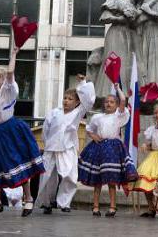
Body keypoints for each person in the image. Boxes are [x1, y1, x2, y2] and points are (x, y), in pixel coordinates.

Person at [0, 46, 45, 218]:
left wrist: (14, 54)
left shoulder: (10, 88)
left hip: (11, 129)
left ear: (3, 79)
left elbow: (11, 72)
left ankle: (28, 198)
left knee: (17, 164)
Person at [37, 74, 96, 214]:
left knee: (70, 175)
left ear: (76, 102)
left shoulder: (78, 112)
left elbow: (88, 101)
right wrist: (46, 143)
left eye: (70, 99)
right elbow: (46, 129)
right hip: (51, 148)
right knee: (47, 176)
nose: (66, 101)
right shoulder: (54, 113)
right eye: (65, 98)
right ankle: (47, 202)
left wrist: (82, 83)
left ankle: (64, 202)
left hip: (67, 147)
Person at [78, 83, 138, 218]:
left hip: (113, 149)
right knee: (97, 180)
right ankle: (95, 207)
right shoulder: (97, 117)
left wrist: (117, 89)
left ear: (116, 105)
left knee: (112, 179)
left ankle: (112, 207)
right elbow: (89, 129)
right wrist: (93, 136)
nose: (108, 104)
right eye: (106, 102)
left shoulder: (118, 116)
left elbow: (123, 100)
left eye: (111, 102)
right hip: (99, 148)